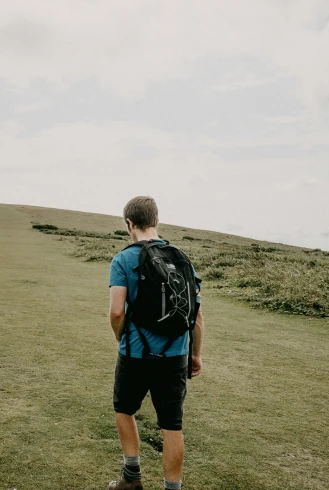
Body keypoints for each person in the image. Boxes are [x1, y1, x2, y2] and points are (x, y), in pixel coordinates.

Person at [106, 196, 204, 490]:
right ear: (156, 221)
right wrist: (195, 355)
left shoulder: (123, 259)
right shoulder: (182, 258)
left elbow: (116, 311)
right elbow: (197, 316)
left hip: (134, 354)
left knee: (124, 409)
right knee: (172, 426)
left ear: (129, 224)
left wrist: (120, 338)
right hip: (176, 355)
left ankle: (131, 480)